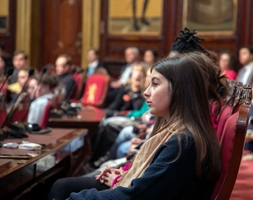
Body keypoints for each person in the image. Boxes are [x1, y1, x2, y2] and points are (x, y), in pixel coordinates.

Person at [49, 52, 228, 200]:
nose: (146, 92)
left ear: (179, 91)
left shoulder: (182, 143)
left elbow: (135, 196)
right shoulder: (181, 133)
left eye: (155, 84)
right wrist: (124, 174)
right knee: (63, 186)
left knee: (64, 190)